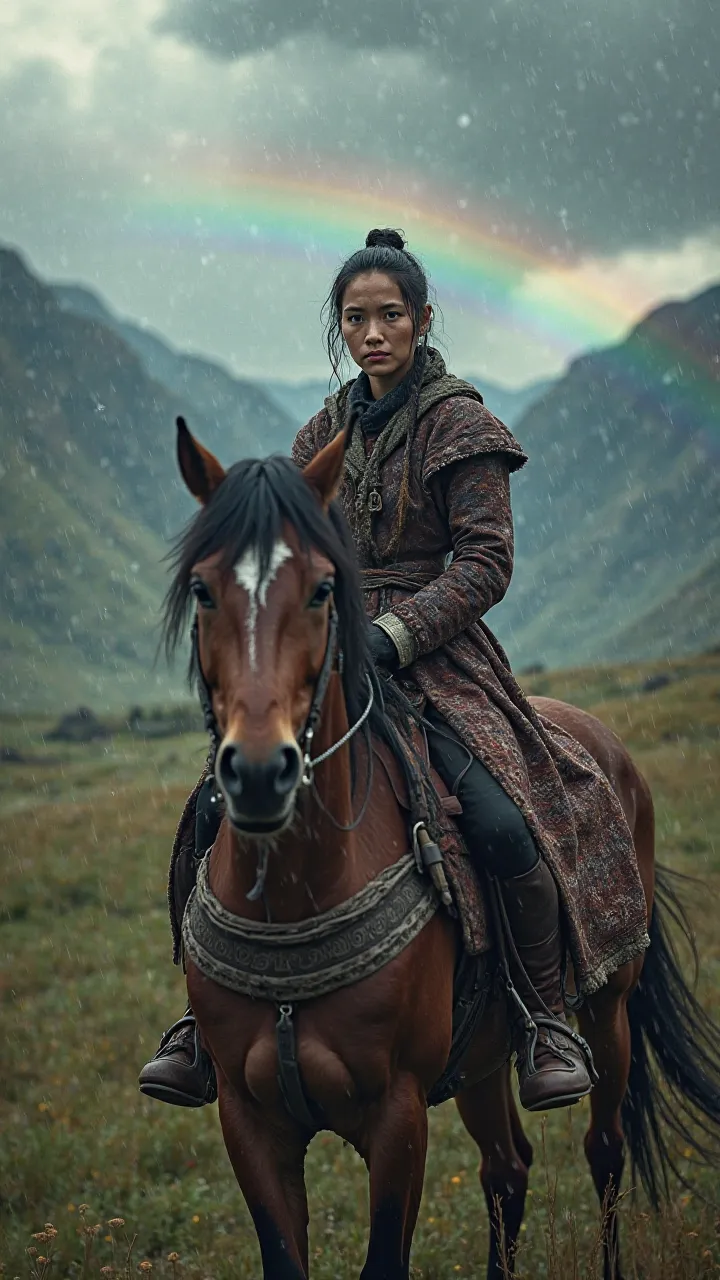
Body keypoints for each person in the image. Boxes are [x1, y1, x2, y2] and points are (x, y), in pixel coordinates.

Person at [140, 227, 612, 1112]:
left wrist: (394, 632)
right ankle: (202, 1028)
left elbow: (485, 562)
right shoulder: (323, 429)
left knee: (507, 821)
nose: (373, 334)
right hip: (331, 650)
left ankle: (543, 1018)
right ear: (341, 330)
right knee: (209, 807)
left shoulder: (461, 425)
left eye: (390, 315)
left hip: (438, 657)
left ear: (423, 320)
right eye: (356, 319)